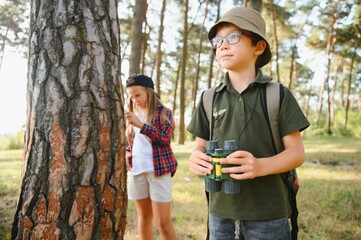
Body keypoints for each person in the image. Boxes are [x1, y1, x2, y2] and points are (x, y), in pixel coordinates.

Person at [187, 7, 310, 240]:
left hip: (268, 212)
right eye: (217, 40)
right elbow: (199, 147)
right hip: (219, 211)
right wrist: (196, 159)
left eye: (233, 37)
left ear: (258, 47)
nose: (222, 45)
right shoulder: (208, 98)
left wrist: (260, 167)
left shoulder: (278, 95)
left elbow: (296, 154)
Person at [125, 74, 177, 240]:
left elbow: (165, 138)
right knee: (144, 218)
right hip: (137, 171)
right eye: (131, 97)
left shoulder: (164, 113)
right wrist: (127, 151)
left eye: (138, 95)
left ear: (149, 92)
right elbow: (131, 142)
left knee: (162, 221)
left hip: (159, 171)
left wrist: (140, 124)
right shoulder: (131, 116)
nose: (135, 100)